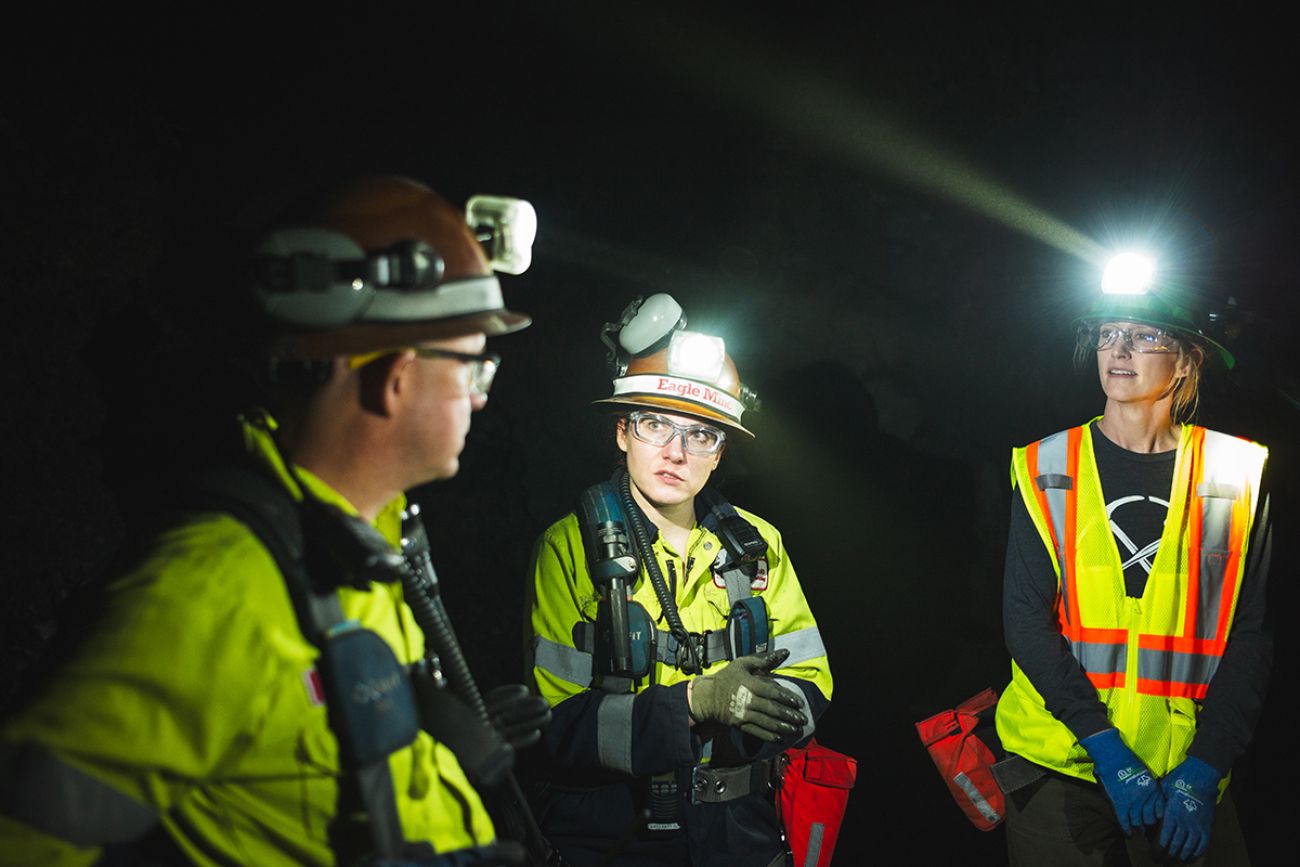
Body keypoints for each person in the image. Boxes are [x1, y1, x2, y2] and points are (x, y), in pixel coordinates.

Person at [0, 175, 549, 866]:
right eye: (473, 369)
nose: (479, 398)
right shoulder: (212, 590)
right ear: (398, 375)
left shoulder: (356, 552)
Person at [524, 294, 832, 867]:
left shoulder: (755, 546)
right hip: (612, 834)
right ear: (621, 432)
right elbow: (553, 725)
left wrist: (761, 713)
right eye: (654, 424)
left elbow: (811, 680)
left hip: (741, 832)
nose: (676, 452)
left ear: (720, 453)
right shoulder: (568, 547)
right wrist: (694, 704)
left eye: (701, 435)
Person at [994, 258, 1272, 866]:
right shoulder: (1046, 465)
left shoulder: (1236, 471)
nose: (1119, 349)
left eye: (1145, 335)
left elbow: (1252, 632)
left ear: (1188, 359)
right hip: (1062, 760)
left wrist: (1206, 767)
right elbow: (1025, 620)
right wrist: (1106, 749)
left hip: (1186, 771)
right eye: (1107, 332)